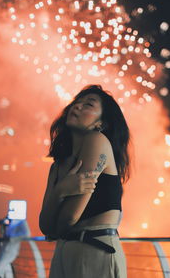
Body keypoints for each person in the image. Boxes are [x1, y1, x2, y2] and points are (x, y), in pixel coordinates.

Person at [39, 84, 131, 278]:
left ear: (101, 123)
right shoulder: (57, 165)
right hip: (64, 252)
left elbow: (68, 218)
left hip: (94, 250)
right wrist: (60, 191)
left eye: (88, 104)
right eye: (76, 102)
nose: (77, 106)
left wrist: (56, 214)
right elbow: (45, 226)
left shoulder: (96, 140)